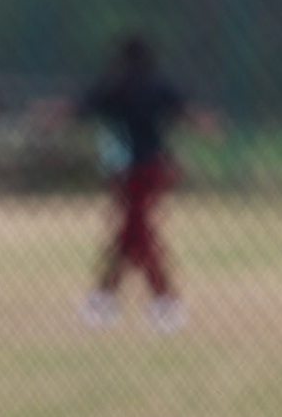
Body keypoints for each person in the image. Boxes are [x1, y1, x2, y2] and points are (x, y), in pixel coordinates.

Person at [47, 34, 219, 333]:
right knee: (131, 234)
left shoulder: (115, 86)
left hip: (126, 170)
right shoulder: (158, 84)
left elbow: (80, 107)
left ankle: (161, 301)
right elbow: (186, 111)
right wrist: (206, 124)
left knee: (135, 234)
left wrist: (52, 116)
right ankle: (107, 298)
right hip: (157, 168)